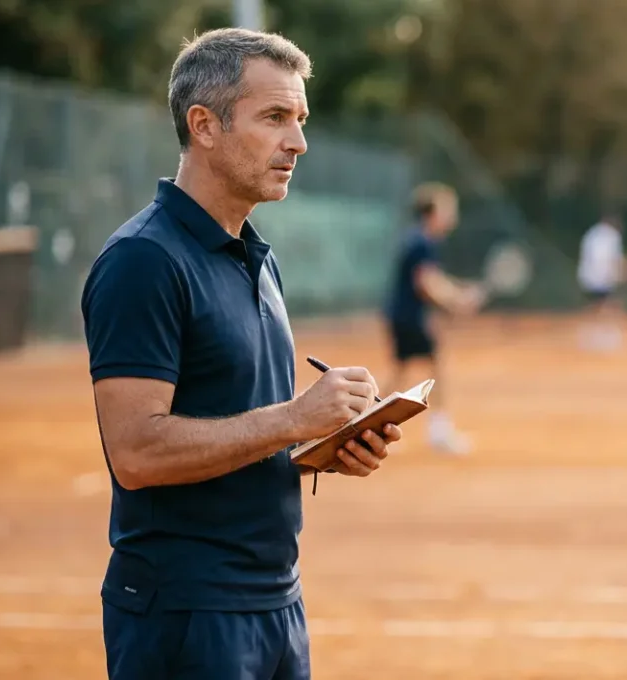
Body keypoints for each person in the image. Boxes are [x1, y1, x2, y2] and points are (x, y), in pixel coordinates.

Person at [80, 28, 400, 680]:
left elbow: (242, 425)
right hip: (187, 614)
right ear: (204, 125)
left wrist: (326, 447)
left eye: (301, 119)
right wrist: (293, 418)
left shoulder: (255, 258)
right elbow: (136, 453)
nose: (298, 142)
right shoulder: (144, 260)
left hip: (274, 601)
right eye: (275, 117)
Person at [381, 182, 484, 455]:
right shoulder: (423, 242)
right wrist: (456, 301)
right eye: (447, 210)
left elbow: (433, 279)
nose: (452, 216)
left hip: (402, 315)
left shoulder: (418, 239)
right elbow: (426, 283)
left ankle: (371, 427)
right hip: (410, 317)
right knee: (436, 369)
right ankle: (439, 433)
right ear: (432, 213)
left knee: (402, 371)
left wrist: (457, 292)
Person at [576, 212, 627, 351]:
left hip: (587, 277)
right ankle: (605, 336)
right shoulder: (612, 236)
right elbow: (612, 259)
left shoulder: (591, 233)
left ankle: (588, 334)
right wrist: (623, 273)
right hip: (603, 278)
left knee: (597, 306)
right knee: (611, 307)